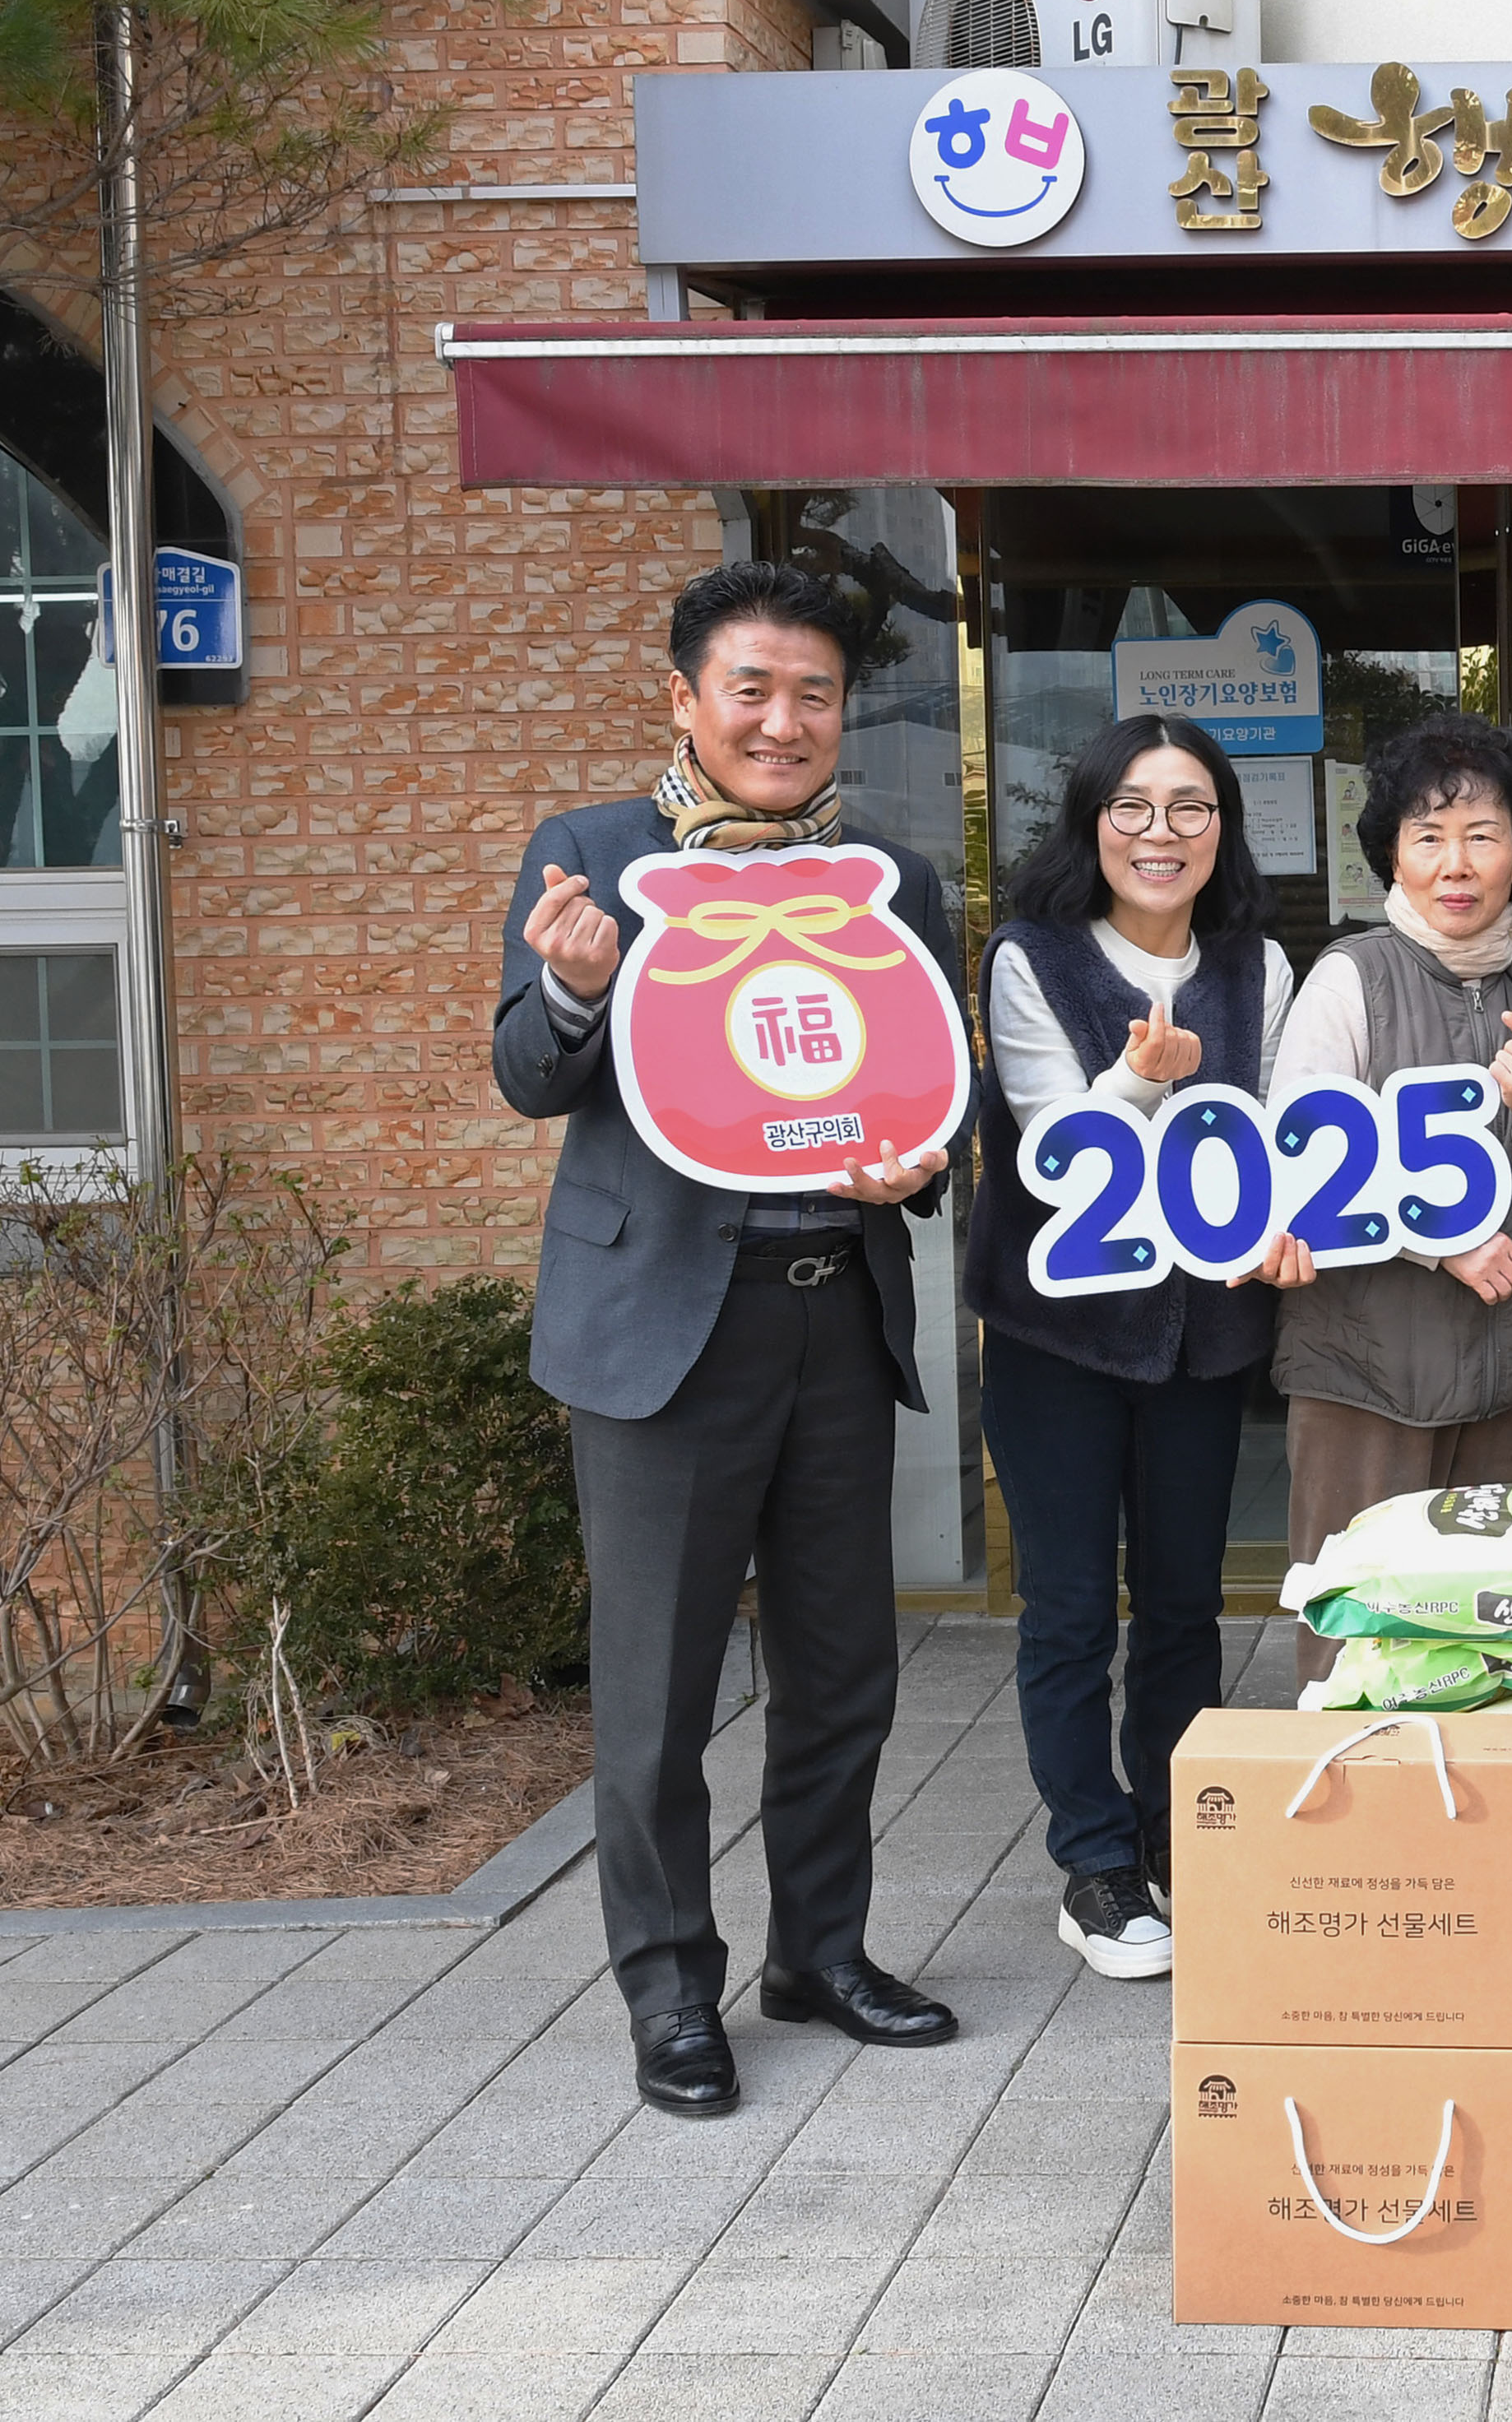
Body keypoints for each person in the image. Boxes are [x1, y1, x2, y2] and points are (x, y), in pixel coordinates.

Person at [495, 559, 967, 2118]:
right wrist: (575, 992)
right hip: (660, 1328)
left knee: (844, 1674)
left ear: (844, 713)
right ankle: (669, 1994)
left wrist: (923, 1166)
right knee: (658, 1695)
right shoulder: (592, 857)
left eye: (812, 694)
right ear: (684, 699)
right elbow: (527, 1075)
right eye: (750, 689)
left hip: (835, 1312)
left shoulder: (890, 880)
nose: (782, 721)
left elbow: (932, 1088)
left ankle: (819, 1954)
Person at [969, 713, 1293, 1984]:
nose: (1162, 833)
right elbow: (1060, 1154)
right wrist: (1146, 1078)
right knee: (1065, 1606)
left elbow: (1274, 1143)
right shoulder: (1030, 956)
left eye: (1191, 807)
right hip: (1060, 1337)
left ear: (1224, 828)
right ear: (1092, 822)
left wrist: (1290, 1229)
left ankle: (1174, 1831)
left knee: (1181, 1603)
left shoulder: (1257, 965)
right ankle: (1094, 1860)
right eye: (1134, 807)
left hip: (1204, 1338)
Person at [1271, 710, 1512, 1686]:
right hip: (1362, 1375)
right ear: (1392, 858)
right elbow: (1298, 1164)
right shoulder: (1348, 978)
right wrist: (1440, 1240)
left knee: (1483, 1646)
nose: (1454, 863)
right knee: (1355, 1643)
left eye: (1481, 836)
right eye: (1427, 837)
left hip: (1504, 1380)